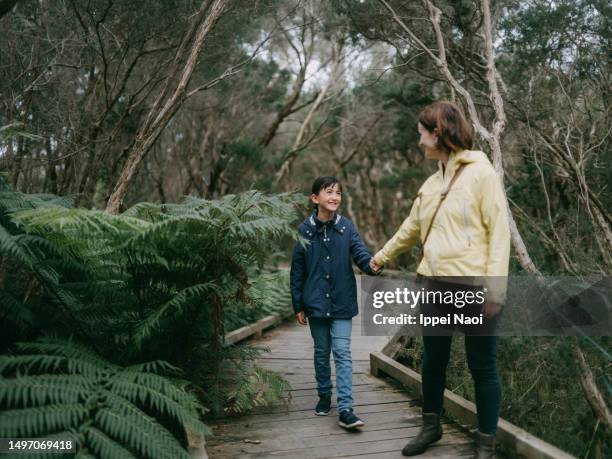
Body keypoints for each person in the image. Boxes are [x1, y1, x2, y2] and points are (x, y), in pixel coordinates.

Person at [369, 101, 510, 458]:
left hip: (475, 288)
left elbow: (499, 232)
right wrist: (381, 256)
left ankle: (485, 442)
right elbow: (411, 229)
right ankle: (430, 428)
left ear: (438, 133)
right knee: (433, 361)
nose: (419, 142)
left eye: (421, 134)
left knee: (482, 366)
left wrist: (496, 289)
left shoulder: (482, 174)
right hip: (434, 286)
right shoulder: (431, 184)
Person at [290, 176, 376, 429]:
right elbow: (297, 270)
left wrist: (373, 265)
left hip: (341, 301)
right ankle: (324, 395)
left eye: (338, 192)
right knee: (320, 353)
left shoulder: (346, 227)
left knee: (342, 352)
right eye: (329, 192)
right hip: (315, 303)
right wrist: (298, 305)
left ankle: (346, 407)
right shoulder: (305, 230)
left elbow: (360, 254)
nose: (335, 197)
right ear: (315, 198)